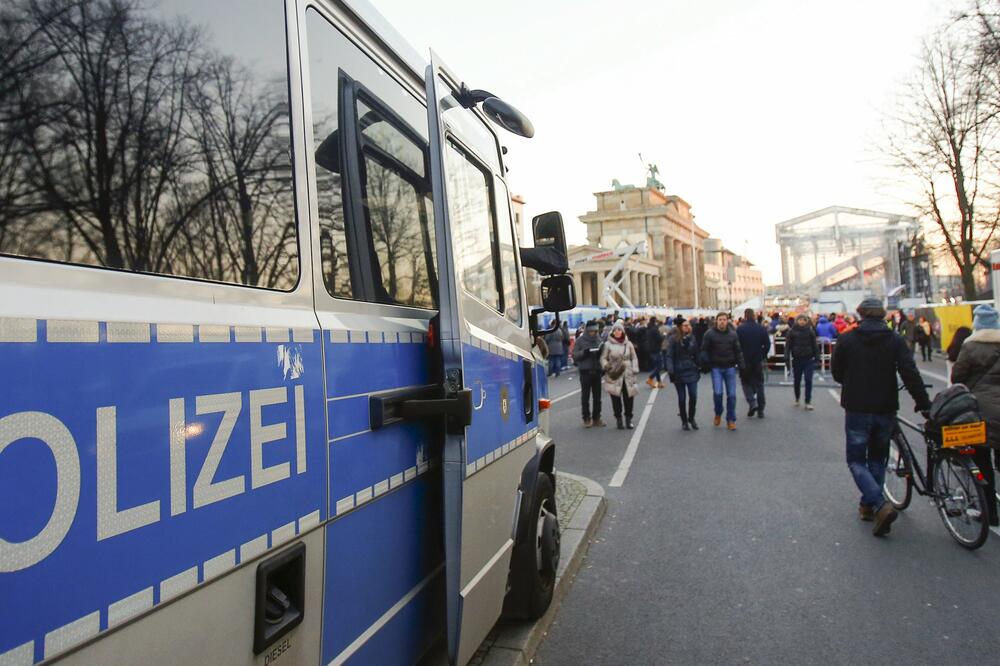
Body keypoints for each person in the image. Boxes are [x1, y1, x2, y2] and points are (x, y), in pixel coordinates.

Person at [831, 298, 931, 537]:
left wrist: (851, 381)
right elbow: (909, 372)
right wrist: (923, 402)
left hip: (857, 407)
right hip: (885, 406)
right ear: (882, 315)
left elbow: (836, 372)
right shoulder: (894, 339)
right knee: (878, 457)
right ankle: (870, 507)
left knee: (856, 460)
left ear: (861, 314)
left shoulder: (847, 339)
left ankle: (877, 503)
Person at [950, 304, 1000, 527]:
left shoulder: (969, 346)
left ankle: (990, 512)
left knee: (982, 461)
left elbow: (957, 377)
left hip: (981, 409)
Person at [700, 312, 745, 430]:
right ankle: (718, 412)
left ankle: (731, 419)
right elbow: (704, 349)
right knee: (718, 393)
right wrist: (706, 362)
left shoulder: (733, 334)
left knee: (732, 395)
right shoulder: (709, 334)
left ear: (727, 321)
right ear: (716, 321)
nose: (722, 322)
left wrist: (741, 366)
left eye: (724, 320)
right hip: (716, 368)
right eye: (720, 319)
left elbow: (738, 351)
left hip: (730, 367)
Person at [601, 320, 639, 429]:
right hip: (614, 373)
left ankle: (628, 419)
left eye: (620, 330)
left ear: (623, 332)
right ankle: (618, 419)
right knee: (615, 398)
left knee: (629, 398)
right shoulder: (608, 345)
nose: (618, 332)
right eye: (616, 330)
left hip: (627, 373)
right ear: (612, 332)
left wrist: (634, 368)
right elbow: (603, 358)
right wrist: (607, 366)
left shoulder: (628, 344)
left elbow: (634, 357)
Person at [665, 319, 701, 430]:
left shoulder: (692, 338)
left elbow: (696, 353)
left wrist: (700, 365)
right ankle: (684, 421)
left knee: (693, 396)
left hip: (691, 370)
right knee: (682, 398)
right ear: (680, 327)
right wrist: (670, 370)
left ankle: (692, 418)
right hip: (678, 371)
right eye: (685, 325)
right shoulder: (673, 339)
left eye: (688, 325)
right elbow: (669, 355)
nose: (687, 327)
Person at [737, 308, 770, 418]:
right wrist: (762, 355)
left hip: (744, 360)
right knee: (759, 384)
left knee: (746, 383)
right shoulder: (761, 328)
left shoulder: (740, 329)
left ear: (745, 316)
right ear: (754, 316)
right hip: (757, 360)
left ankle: (752, 402)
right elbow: (767, 344)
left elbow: (736, 346)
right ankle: (761, 409)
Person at [572, 320, 605, 428]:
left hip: (597, 370)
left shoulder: (599, 340)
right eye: (591, 331)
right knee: (585, 397)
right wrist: (584, 353)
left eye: (595, 331)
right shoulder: (580, 340)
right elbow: (575, 355)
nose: (593, 333)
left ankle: (597, 417)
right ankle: (586, 418)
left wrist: (601, 352)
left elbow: (604, 355)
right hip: (585, 371)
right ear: (587, 330)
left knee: (597, 397)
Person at [784, 314, 819, 409]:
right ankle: (797, 398)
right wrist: (786, 357)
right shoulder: (791, 332)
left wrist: (817, 357)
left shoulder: (810, 331)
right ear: (797, 321)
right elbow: (788, 346)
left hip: (808, 358)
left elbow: (815, 345)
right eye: (800, 320)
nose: (802, 322)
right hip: (797, 359)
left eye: (804, 320)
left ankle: (808, 401)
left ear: (806, 321)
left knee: (808, 380)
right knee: (797, 380)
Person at [645, 317, 665, 388]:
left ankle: (659, 382)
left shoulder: (648, 328)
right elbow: (659, 338)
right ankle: (650, 378)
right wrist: (663, 336)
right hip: (656, 349)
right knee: (659, 366)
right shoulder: (655, 329)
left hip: (651, 348)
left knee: (656, 366)